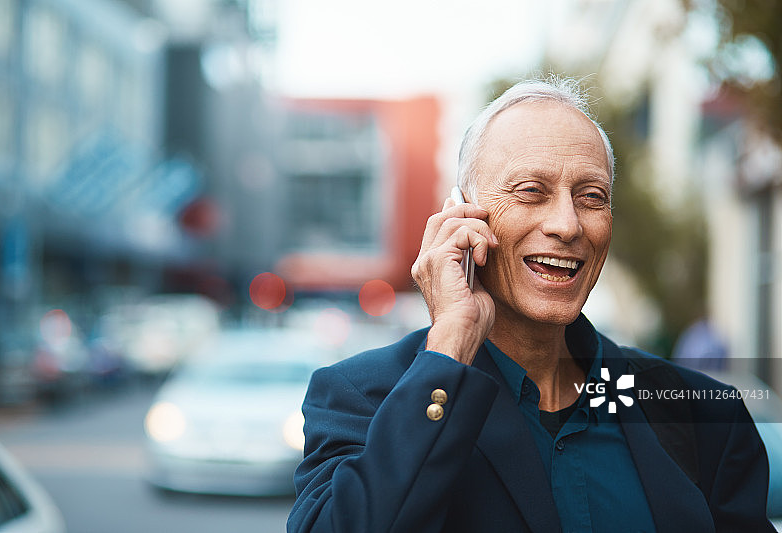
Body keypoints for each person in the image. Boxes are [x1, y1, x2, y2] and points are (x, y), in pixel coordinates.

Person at [287, 77, 774, 532]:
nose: (567, 224)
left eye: (591, 196)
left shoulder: (703, 416)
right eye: (531, 192)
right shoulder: (363, 397)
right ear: (461, 213)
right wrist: (451, 345)